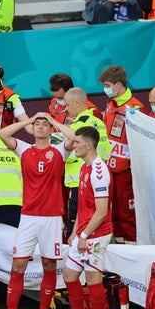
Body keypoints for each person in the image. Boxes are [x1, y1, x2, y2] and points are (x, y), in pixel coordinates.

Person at [0, 112, 73, 309]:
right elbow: (2, 133)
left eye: (44, 124)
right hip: (28, 217)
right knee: (18, 265)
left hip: (52, 218)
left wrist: (54, 121)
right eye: (37, 124)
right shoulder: (24, 149)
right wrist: (28, 121)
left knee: (49, 264)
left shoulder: (58, 152)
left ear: (50, 129)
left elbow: (72, 137)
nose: (40, 126)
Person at [54, 126, 112, 309]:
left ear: (89, 145)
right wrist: (75, 232)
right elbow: (82, 206)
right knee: (69, 276)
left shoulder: (99, 171)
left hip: (97, 234)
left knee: (93, 280)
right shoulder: (84, 168)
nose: (73, 145)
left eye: (77, 142)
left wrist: (85, 236)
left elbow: (101, 211)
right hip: (85, 231)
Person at [99, 65, 143, 243]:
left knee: (127, 214)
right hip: (110, 168)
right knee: (114, 213)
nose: (105, 89)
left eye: (108, 85)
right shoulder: (111, 105)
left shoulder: (135, 108)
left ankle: (132, 250)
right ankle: (119, 249)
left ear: (118, 85)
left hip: (126, 170)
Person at [62, 87, 111, 238]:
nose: (66, 109)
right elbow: (107, 150)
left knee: (76, 227)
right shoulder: (98, 122)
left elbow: (66, 154)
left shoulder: (77, 127)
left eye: (67, 105)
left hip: (80, 181)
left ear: (77, 103)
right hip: (98, 177)